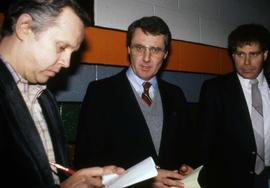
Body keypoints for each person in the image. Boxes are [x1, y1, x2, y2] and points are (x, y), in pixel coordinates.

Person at [0, 0, 124, 187]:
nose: (66, 63)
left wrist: (83, 179)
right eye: (61, 47)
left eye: (72, 52)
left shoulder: (44, 96)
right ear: (25, 27)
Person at [74, 16, 196, 188]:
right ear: (129, 49)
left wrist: (187, 168)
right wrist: (147, 180)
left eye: (155, 50)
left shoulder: (176, 94)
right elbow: (87, 164)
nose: (146, 58)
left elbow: (188, 148)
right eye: (139, 48)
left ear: (166, 54)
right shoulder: (100, 93)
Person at [198, 24, 270, 188]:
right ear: (232, 55)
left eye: (254, 54)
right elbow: (204, 142)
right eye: (240, 54)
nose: (247, 62)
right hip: (230, 180)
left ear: (265, 54)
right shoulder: (214, 89)